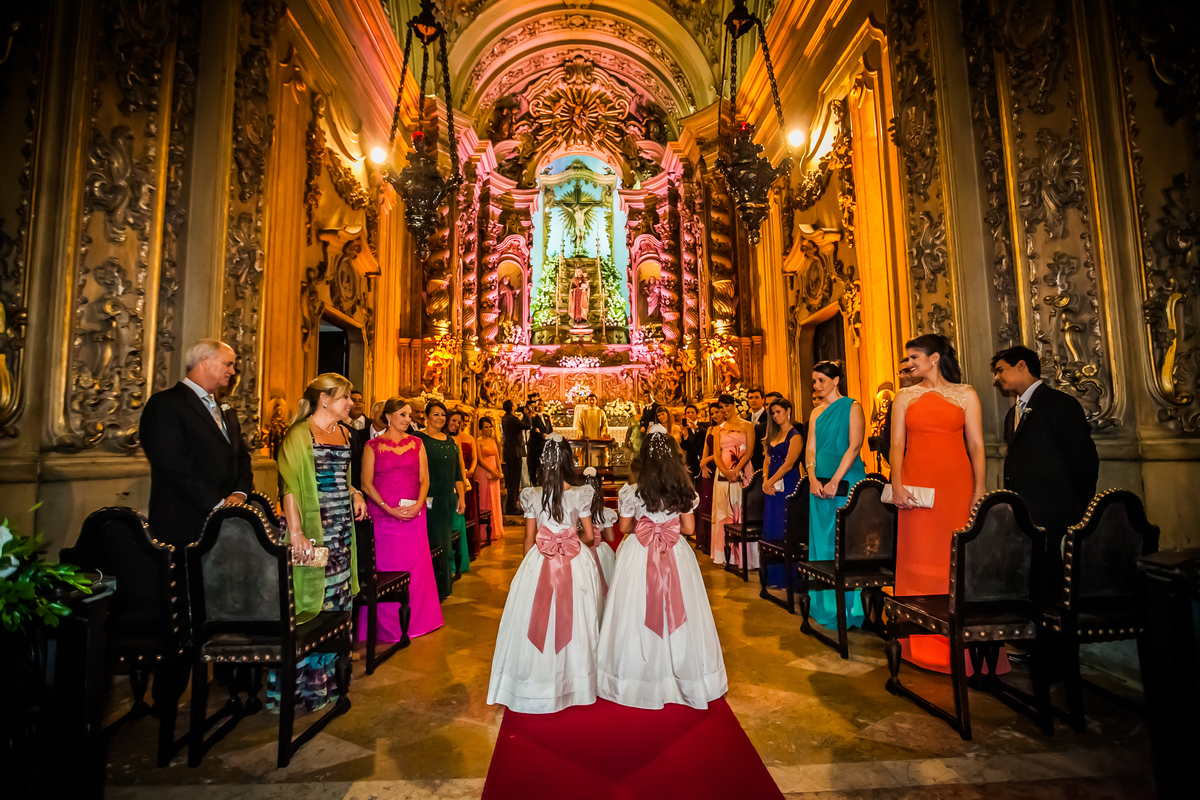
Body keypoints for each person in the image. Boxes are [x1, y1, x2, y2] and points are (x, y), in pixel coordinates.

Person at [890, 334, 1004, 675]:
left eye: (913, 357)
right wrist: (896, 482)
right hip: (916, 490)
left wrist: (979, 490)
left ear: (934, 358)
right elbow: (897, 443)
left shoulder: (965, 393)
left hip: (956, 487)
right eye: (907, 358)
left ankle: (963, 651)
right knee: (919, 559)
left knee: (954, 560)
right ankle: (922, 647)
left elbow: (977, 446)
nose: (908, 363)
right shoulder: (904, 397)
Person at [597, 428, 727, 709]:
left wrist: (646, 525)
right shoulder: (683, 489)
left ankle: (637, 675)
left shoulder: (632, 491)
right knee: (678, 606)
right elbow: (689, 529)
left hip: (639, 552)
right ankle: (683, 672)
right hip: (674, 551)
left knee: (636, 608)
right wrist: (666, 526)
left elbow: (624, 528)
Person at [487, 434, 601, 713]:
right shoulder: (578, 493)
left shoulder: (532, 494)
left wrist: (528, 566)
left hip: (539, 559)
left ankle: (534, 679)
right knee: (577, 618)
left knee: (536, 616)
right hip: (575, 560)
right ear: (568, 461)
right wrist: (572, 542)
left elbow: (529, 539)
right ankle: (576, 679)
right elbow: (589, 535)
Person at [274, 373, 367, 711]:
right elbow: (290, 487)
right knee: (312, 603)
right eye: (345, 397)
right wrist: (297, 532)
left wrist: (355, 492)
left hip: (342, 530)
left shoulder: (344, 432)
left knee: (339, 603)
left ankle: (333, 680)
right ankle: (305, 688)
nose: (351, 403)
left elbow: (343, 477)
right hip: (313, 528)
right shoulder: (299, 435)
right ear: (325, 399)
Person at [992, 345, 1098, 594]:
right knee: (1033, 573)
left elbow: (1084, 459)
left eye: (1000, 370)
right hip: (1024, 510)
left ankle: (1055, 624)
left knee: (1051, 575)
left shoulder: (1059, 404)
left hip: (1055, 509)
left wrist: (1079, 507)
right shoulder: (1012, 414)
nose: (996, 377)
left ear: (1021, 366)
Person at [140, 339, 254, 545]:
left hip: (227, 522)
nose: (233, 371)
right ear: (204, 361)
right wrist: (217, 504)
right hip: (183, 522)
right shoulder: (166, 404)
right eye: (227, 364)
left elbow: (242, 457)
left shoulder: (227, 412)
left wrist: (239, 494)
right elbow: (171, 464)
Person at [359, 398, 443, 640]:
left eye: (409, 416)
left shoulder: (417, 444)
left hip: (413, 517)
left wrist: (418, 504)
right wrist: (388, 509)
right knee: (387, 569)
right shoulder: (372, 446)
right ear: (389, 417)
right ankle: (385, 627)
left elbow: (425, 478)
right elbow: (366, 483)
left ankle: (419, 622)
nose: (408, 420)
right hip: (383, 519)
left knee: (416, 570)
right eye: (403, 415)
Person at [805, 363, 868, 629]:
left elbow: (854, 447)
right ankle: (826, 606)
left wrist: (835, 480)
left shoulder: (853, 407)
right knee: (822, 543)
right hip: (818, 484)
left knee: (845, 543)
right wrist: (811, 477)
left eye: (821, 380)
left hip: (845, 482)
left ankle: (852, 609)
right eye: (814, 381)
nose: (816, 385)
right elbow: (810, 449)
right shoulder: (815, 413)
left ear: (836, 380)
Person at [418, 401, 466, 599]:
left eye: (442, 415)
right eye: (435, 414)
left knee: (443, 545)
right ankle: (425, 589)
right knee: (426, 544)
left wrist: (461, 496)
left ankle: (442, 588)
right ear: (426, 417)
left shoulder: (450, 441)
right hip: (425, 496)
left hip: (446, 497)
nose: (440, 418)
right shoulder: (418, 439)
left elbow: (457, 473)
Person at [762, 398, 804, 588]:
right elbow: (767, 461)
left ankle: (789, 577)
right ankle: (773, 574)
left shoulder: (795, 435)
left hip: (787, 483)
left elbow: (789, 463)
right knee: (772, 523)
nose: (776, 416)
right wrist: (765, 480)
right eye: (773, 413)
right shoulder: (774, 433)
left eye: (778, 411)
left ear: (788, 410)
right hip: (771, 485)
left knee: (784, 523)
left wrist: (770, 481)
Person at [709, 394, 754, 567]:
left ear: (734, 405)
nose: (724, 410)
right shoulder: (718, 429)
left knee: (741, 511)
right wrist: (725, 471)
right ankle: (724, 553)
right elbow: (717, 454)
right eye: (721, 408)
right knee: (723, 512)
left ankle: (744, 556)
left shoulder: (747, 425)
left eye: (727, 406)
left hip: (742, 471)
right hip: (722, 475)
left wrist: (737, 469)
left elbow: (749, 451)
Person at [872, 361, 920, 466]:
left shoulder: (929, 400)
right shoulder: (894, 404)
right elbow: (886, 439)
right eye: (900, 372)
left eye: (906, 371)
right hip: (902, 465)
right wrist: (896, 463)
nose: (902, 376)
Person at [582, 466, 617, 601]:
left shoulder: (578, 512)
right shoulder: (605, 513)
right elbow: (611, 538)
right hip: (602, 554)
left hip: (583, 551)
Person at [446, 409, 473, 575]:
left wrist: (462, 488)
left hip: (455, 487)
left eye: (459, 422)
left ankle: (456, 562)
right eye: (453, 420)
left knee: (456, 524)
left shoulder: (456, 440)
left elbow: (460, 466)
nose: (456, 424)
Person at [474, 416, 504, 539]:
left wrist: (500, 471)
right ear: (481, 429)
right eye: (486, 427)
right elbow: (480, 460)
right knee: (485, 497)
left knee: (495, 499)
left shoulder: (493, 441)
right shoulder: (478, 441)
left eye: (490, 427)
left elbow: (497, 457)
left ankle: (496, 528)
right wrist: (492, 470)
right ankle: (483, 532)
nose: (489, 429)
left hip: (494, 472)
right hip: (483, 471)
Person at [501, 399, 529, 516]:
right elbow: (527, 425)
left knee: (512, 481)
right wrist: (526, 413)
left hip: (509, 451)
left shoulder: (506, 418)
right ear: (512, 407)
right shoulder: (512, 419)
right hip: (514, 452)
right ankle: (511, 506)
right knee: (514, 481)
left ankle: (511, 505)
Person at [679, 403, 710, 482]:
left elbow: (708, 435)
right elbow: (684, 447)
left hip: (704, 459)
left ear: (697, 414)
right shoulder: (686, 428)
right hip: (691, 462)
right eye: (688, 413)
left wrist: (696, 428)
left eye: (692, 412)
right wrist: (685, 436)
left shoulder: (704, 425)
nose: (690, 414)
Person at [526, 399, 552, 484]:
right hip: (535, 447)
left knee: (544, 468)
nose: (539, 406)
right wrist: (542, 435)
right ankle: (535, 484)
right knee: (534, 467)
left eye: (541, 405)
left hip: (545, 446)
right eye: (538, 405)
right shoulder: (532, 417)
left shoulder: (546, 417)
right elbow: (533, 430)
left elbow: (549, 429)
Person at [747, 388, 767, 472]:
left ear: (762, 400)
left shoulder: (768, 417)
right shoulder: (746, 420)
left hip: (764, 461)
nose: (753, 400)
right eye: (750, 398)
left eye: (756, 397)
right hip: (750, 462)